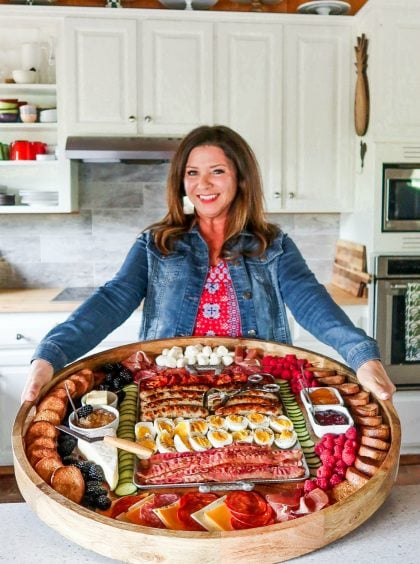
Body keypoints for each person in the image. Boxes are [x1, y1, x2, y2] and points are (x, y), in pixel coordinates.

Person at [21, 125, 396, 403]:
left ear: (240, 178)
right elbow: (112, 300)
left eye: (217, 170)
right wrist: (51, 353)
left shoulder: (273, 245)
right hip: (169, 394)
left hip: (257, 393)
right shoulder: (156, 244)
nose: (203, 184)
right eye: (192, 172)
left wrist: (361, 355)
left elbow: (312, 302)